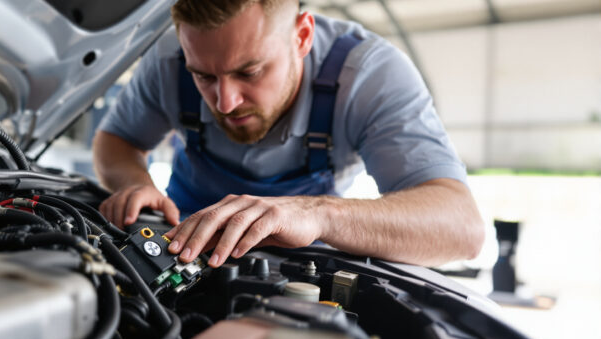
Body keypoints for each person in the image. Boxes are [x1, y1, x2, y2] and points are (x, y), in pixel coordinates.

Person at [93, 0, 484, 268]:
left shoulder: (369, 76)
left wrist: (320, 213)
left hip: (302, 259)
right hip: (179, 244)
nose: (225, 102)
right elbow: (117, 141)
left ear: (302, 36)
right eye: (204, 76)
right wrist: (134, 183)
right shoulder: (167, 57)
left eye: (249, 72)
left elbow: (461, 226)